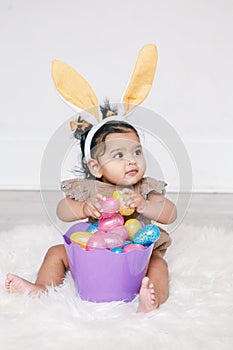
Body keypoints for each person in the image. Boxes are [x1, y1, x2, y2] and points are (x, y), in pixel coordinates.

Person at [5, 118, 177, 313]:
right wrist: (84, 209)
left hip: (135, 256)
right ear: (95, 167)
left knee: (158, 264)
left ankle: (152, 301)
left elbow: (170, 214)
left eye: (137, 152)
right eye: (119, 154)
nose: (131, 160)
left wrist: (145, 205)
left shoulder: (145, 187)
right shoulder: (91, 189)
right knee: (56, 252)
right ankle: (42, 288)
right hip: (95, 251)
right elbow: (62, 210)